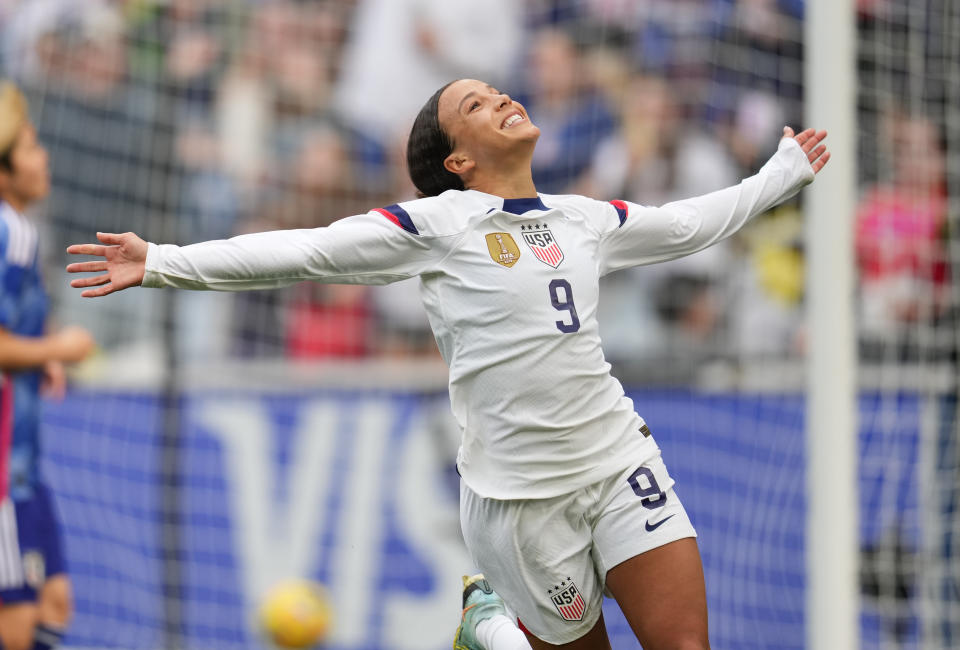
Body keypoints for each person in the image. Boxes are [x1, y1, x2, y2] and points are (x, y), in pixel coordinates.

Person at [66, 78, 829, 649]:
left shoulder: (585, 217)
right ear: (458, 159)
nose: (498, 97)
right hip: (520, 501)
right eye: (473, 105)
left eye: (494, 90)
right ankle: (490, 625)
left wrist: (782, 172)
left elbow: (691, 224)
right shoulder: (438, 225)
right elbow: (305, 250)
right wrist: (162, 261)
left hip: (618, 460)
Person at [0, 82, 95, 650]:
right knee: (16, 624)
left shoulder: (22, 233)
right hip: (4, 468)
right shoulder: (9, 233)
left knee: (53, 605)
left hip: (23, 463)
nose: (45, 157)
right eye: (31, 147)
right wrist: (58, 351)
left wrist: (40, 350)